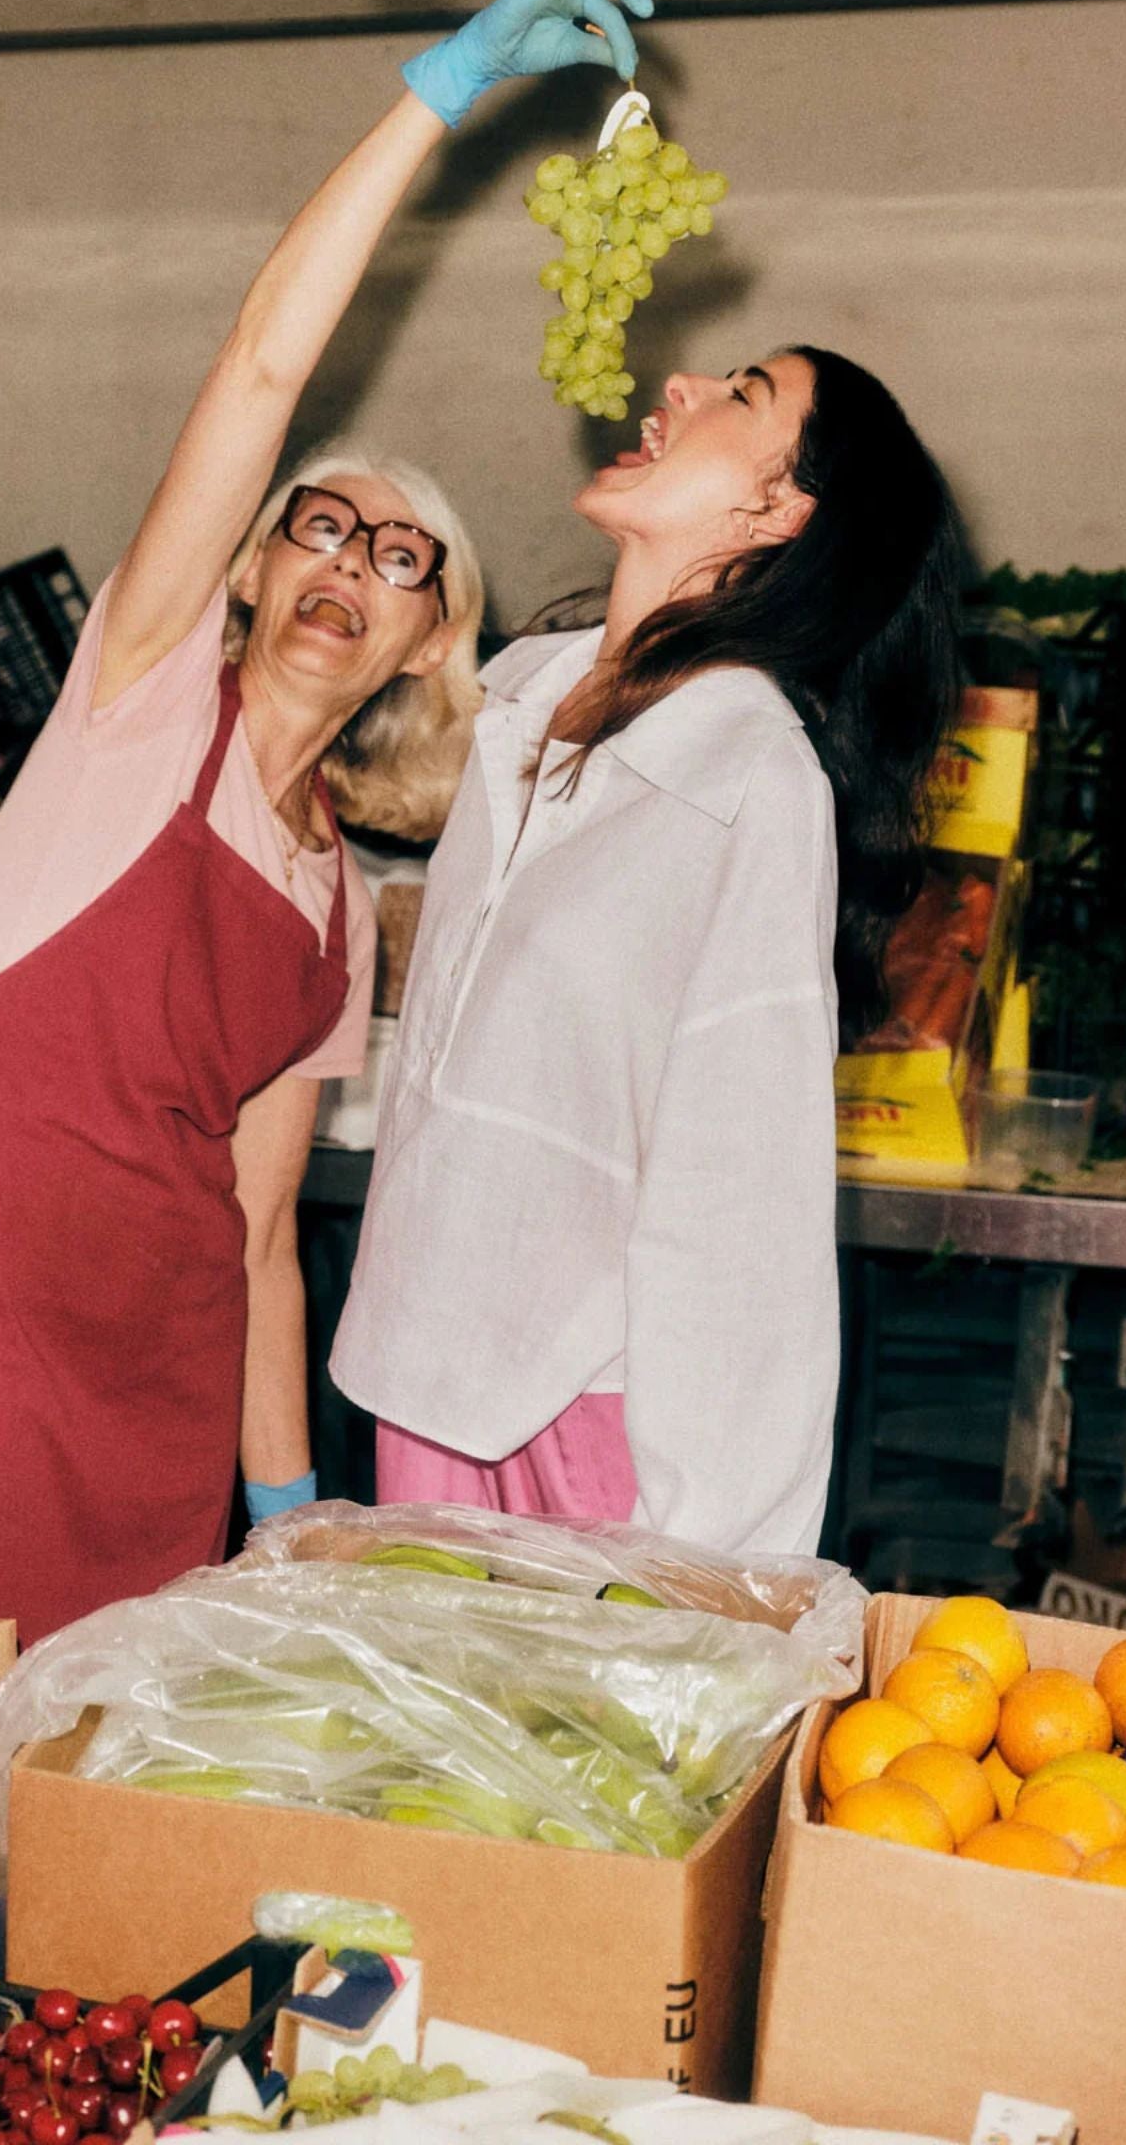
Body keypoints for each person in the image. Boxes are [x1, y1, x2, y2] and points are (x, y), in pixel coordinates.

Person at [0, 0, 672, 1648]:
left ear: (433, 641)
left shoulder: (341, 911)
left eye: (404, 556)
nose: (350, 556)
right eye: (318, 524)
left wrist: (279, 1507)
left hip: (159, 1379)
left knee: (106, 1817)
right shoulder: (133, 703)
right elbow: (265, 364)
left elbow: (263, 1232)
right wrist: (438, 102)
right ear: (255, 573)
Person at [330, 353, 963, 1544]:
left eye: (741, 392)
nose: (678, 382)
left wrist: (723, 1558)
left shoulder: (748, 781)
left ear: (778, 511)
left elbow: (740, 1191)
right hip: (419, 1371)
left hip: (581, 1416)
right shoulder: (526, 712)